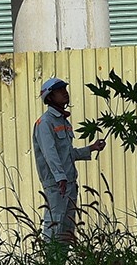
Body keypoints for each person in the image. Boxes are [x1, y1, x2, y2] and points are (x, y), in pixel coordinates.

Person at [34, 77, 107, 251]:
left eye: (65, 89)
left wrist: (91, 148)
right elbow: (50, 154)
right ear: (49, 97)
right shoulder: (45, 123)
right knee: (55, 226)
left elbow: (68, 154)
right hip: (57, 185)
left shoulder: (63, 123)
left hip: (69, 184)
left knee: (67, 230)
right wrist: (60, 178)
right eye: (60, 91)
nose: (65, 93)